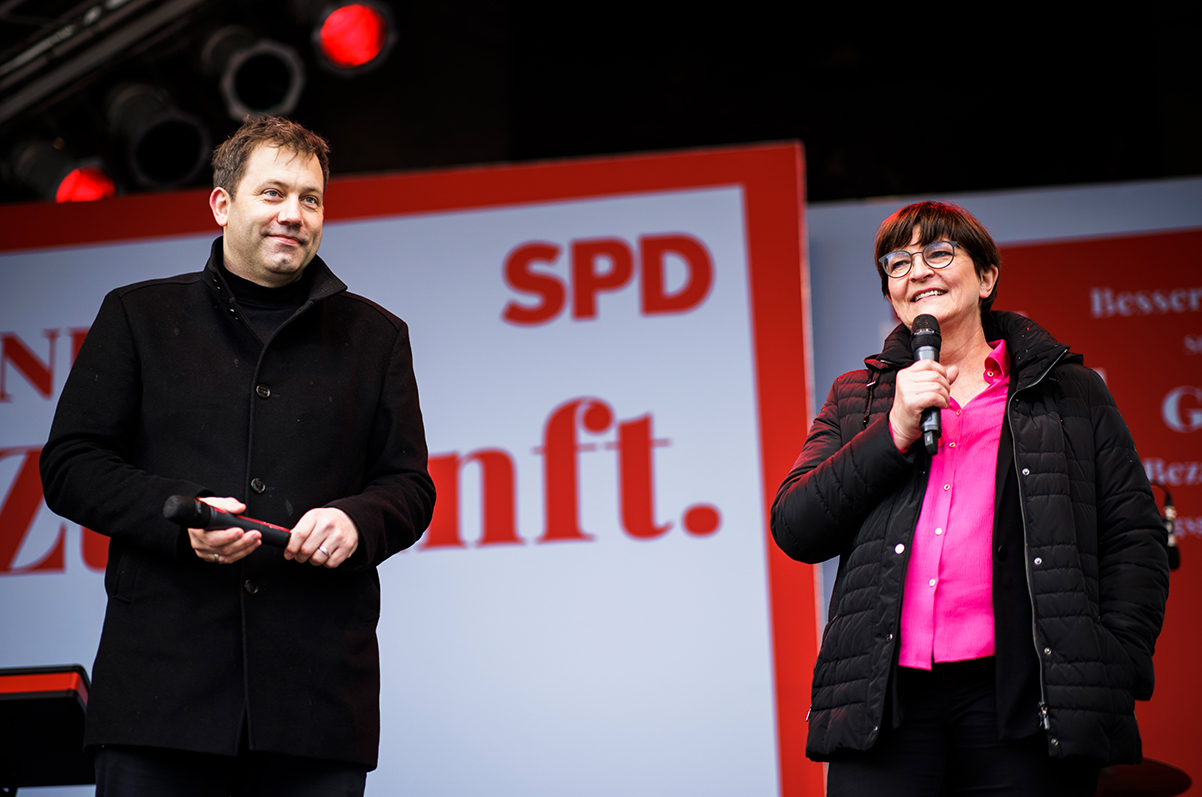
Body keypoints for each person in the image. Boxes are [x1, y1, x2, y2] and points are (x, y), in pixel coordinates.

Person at [40, 117, 436, 796]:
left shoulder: (377, 336)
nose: (294, 214)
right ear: (222, 204)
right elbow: (71, 465)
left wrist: (357, 521)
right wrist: (177, 518)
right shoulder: (138, 316)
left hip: (314, 710)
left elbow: (408, 484)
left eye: (311, 199)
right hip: (159, 703)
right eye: (274, 193)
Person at [770, 201, 1168, 796]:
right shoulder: (860, 398)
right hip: (887, 702)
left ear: (986, 278)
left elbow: (1133, 535)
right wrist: (895, 431)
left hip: (1025, 698)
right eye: (897, 263)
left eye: (938, 253)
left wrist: (1113, 660)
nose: (917, 272)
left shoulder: (1068, 394)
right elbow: (796, 526)